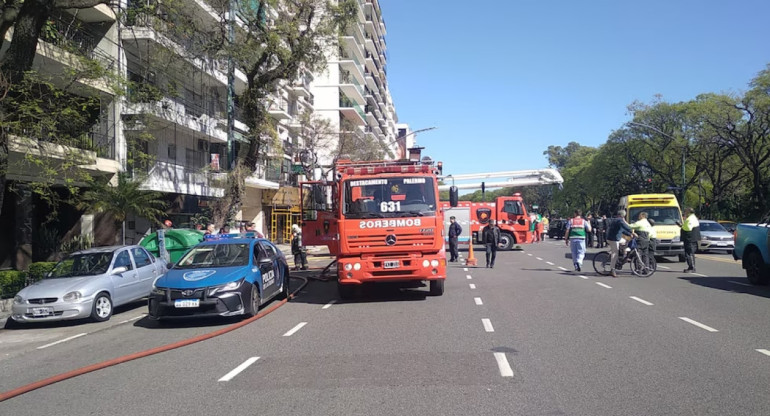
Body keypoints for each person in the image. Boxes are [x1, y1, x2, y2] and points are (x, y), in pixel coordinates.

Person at [606, 210, 635, 277]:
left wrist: (629, 234)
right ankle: (612, 269)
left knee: (624, 241)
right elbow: (625, 227)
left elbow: (622, 230)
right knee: (615, 253)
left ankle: (622, 254)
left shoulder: (617, 220)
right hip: (613, 239)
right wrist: (632, 232)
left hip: (615, 238)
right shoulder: (619, 220)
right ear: (623, 215)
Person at [678, 207, 701, 273]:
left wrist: (682, 226)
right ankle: (691, 267)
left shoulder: (690, 219)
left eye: (686, 212)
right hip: (692, 239)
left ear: (689, 212)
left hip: (690, 239)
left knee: (689, 253)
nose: (685, 213)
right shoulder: (693, 218)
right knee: (690, 253)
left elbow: (688, 228)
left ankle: (692, 267)